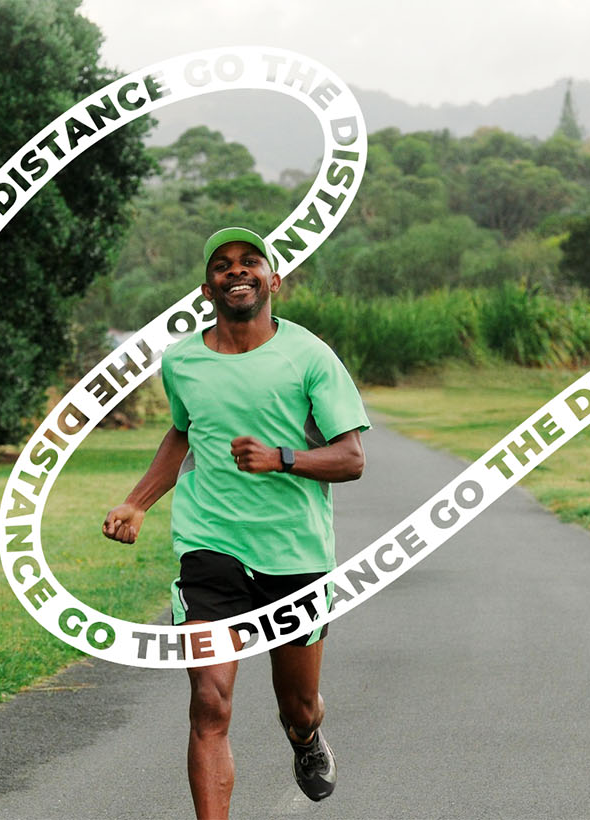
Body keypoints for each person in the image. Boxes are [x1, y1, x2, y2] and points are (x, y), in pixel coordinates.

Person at [102, 227, 370, 819]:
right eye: (223, 265)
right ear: (207, 288)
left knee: (299, 703)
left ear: (274, 281)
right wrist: (138, 502)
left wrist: (283, 458)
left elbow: (352, 458)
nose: (237, 271)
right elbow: (182, 432)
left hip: (295, 553)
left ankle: (304, 739)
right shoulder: (183, 361)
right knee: (210, 702)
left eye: (250, 262)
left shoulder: (309, 356)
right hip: (210, 547)